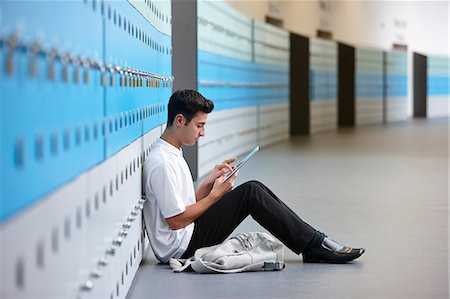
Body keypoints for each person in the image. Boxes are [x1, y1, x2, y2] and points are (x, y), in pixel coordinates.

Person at [142, 89, 365, 264]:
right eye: (199, 125)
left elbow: (184, 206)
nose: (203, 133)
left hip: (188, 234)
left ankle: (314, 242)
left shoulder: (172, 152)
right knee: (251, 193)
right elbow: (175, 220)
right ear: (180, 120)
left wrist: (210, 183)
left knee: (254, 187)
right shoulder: (162, 162)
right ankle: (315, 245)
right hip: (182, 247)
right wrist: (214, 197)